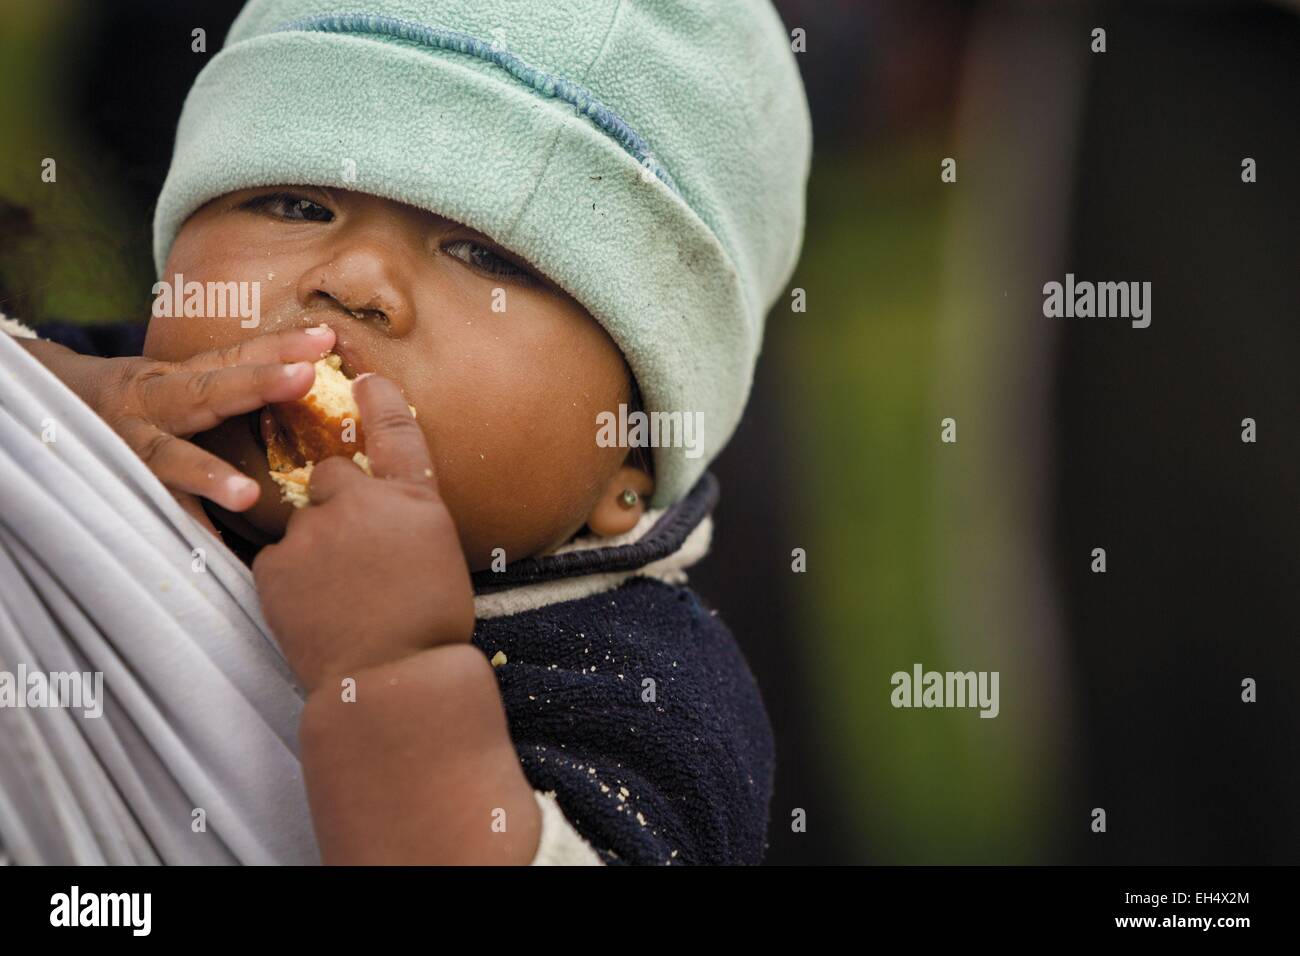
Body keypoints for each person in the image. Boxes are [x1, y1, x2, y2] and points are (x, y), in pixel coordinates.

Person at [1, 0, 810, 864]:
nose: (354, 279)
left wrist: (390, 674)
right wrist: (59, 406)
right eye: (293, 201)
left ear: (630, 465)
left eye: (488, 257)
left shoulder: (643, 696)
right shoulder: (106, 404)